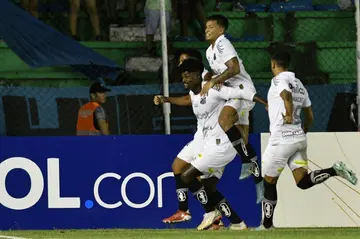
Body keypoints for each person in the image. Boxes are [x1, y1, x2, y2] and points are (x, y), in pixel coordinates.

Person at [158, 58, 267, 230]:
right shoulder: (194, 93)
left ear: (197, 75)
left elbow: (240, 94)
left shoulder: (214, 89)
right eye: (182, 76)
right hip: (209, 144)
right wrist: (166, 99)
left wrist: (264, 102)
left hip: (222, 145)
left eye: (187, 76)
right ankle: (238, 223)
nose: (184, 80)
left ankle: (210, 213)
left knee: (187, 176)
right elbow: (188, 99)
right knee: (207, 188)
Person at [257, 52, 358, 230]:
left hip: (281, 140)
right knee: (302, 182)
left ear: (273, 64)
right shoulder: (300, 85)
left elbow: (285, 96)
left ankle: (266, 226)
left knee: (269, 182)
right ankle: (334, 170)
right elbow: (309, 115)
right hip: (298, 138)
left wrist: (288, 114)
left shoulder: (279, 80)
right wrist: (302, 131)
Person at [201, 14, 264, 203]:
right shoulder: (209, 51)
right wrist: (210, 77)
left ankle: (246, 162)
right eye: (206, 27)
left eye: (211, 27)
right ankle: (259, 182)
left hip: (240, 90)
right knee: (243, 140)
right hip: (233, 92)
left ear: (221, 30)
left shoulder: (222, 43)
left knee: (224, 120)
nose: (207, 30)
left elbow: (234, 68)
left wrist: (214, 81)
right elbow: (220, 71)